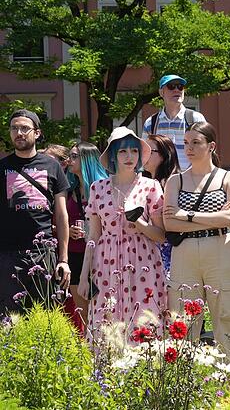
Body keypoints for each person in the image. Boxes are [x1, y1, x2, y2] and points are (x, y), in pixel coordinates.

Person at [162, 122, 230, 364]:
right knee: (183, 324)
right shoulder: (175, 181)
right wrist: (212, 219)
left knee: (226, 319)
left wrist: (185, 215)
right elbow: (169, 224)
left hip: (221, 251)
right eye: (186, 143)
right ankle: (184, 385)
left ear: (211, 146)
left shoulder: (229, 178)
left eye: (196, 143)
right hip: (185, 254)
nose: (188, 148)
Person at [78, 128, 166, 338]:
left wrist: (139, 223)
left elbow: (161, 235)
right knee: (106, 323)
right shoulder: (97, 188)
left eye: (134, 151)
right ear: (113, 156)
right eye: (122, 151)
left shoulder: (151, 186)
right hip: (106, 264)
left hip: (142, 262)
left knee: (144, 321)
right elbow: (93, 237)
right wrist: (83, 276)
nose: (129, 157)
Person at [0, 110, 71, 314]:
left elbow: (61, 215)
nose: (19, 133)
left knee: (46, 317)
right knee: (8, 322)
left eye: (24, 128)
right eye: (14, 128)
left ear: (37, 133)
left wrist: (63, 260)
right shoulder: (2, 167)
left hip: (43, 254)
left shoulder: (52, 166)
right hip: (7, 256)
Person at [64, 142, 108, 331]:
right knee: (82, 312)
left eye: (74, 156)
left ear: (87, 160)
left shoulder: (103, 188)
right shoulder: (68, 190)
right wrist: (67, 229)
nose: (69, 160)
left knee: (103, 309)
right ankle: (87, 353)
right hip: (75, 254)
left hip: (99, 255)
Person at [142, 74, 206, 170]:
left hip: (191, 180)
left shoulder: (196, 119)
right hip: (161, 181)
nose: (177, 90)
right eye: (171, 86)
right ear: (161, 92)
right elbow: (145, 154)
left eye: (180, 87)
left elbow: (206, 150)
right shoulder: (151, 123)